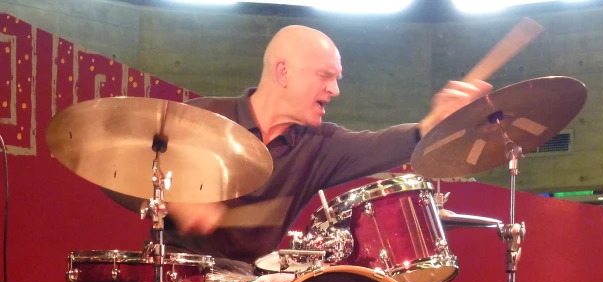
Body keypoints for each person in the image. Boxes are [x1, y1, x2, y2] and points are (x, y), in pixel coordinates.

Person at [161, 25, 492, 266]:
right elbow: (118, 165)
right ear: (283, 72)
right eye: (325, 75)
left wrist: (431, 127)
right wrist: (172, 198)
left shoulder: (318, 146)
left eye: (336, 79)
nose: (334, 90)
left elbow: (382, 145)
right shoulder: (202, 118)